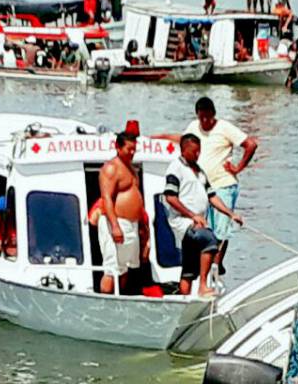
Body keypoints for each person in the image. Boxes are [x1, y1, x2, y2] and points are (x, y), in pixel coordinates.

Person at [154, 97, 258, 276]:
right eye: (201, 118)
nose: (204, 122)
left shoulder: (224, 128)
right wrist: (160, 138)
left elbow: (251, 144)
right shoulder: (194, 127)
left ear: (213, 115)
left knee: (220, 230)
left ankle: (215, 267)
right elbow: (183, 139)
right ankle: (206, 265)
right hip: (202, 185)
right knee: (204, 228)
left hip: (223, 184)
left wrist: (238, 168)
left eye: (207, 118)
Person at [162, 134, 243, 297]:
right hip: (183, 221)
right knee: (209, 239)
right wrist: (193, 216)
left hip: (197, 222)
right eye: (194, 151)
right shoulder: (175, 169)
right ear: (183, 150)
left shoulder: (199, 171)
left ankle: (184, 300)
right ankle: (203, 286)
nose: (197, 155)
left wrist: (230, 213)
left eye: (199, 151)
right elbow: (170, 197)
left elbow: (212, 196)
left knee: (189, 269)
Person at [97, 130, 149, 295]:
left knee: (125, 266)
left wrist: (143, 229)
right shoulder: (111, 168)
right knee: (111, 267)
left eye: (134, 149)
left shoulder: (132, 169)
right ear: (118, 147)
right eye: (129, 149)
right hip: (116, 222)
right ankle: (106, 300)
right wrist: (115, 226)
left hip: (132, 225)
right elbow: (106, 198)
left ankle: (121, 296)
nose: (132, 152)